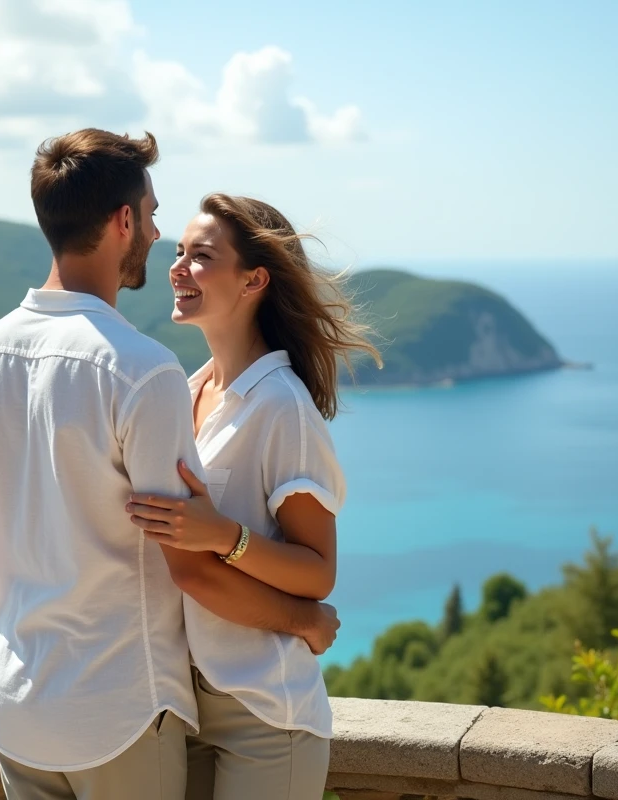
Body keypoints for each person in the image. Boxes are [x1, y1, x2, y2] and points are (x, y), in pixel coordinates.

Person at [0, 131, 341, 800]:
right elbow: (188, 570)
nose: (167, 250)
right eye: (158, 221)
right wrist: (304, 621)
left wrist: (38, 637)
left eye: (199, 254)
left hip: (26, 701)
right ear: (124, 221)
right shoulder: (154, 377)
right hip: (123, 707)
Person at [124, 194, 381, 800]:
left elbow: (317, 572)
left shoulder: (282, 407)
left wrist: (223, 536)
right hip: (178, 705)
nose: (178, 267)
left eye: (201, 256)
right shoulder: (185, 392)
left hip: (266, 715)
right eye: (178, 252)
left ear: (254, 280)